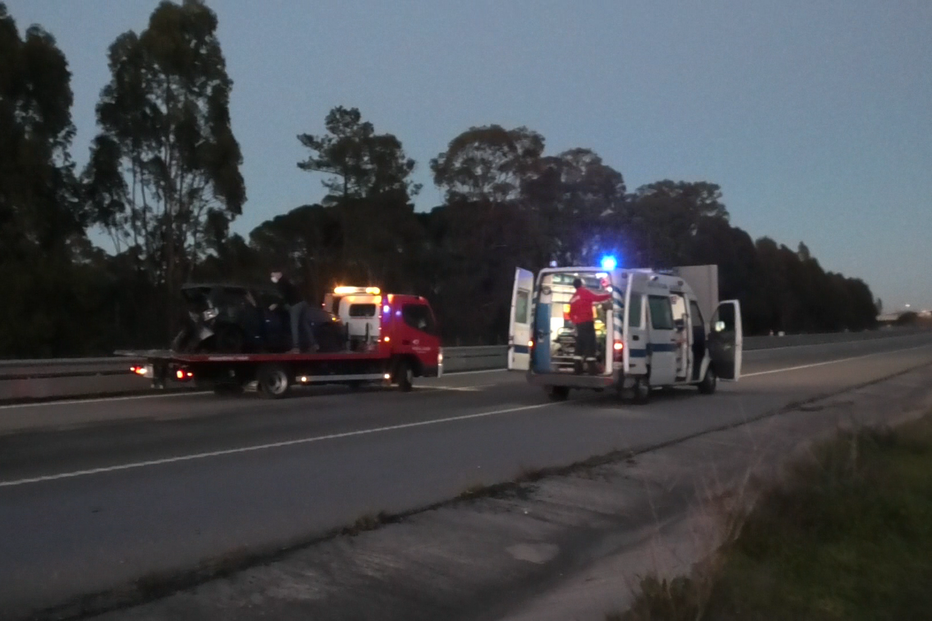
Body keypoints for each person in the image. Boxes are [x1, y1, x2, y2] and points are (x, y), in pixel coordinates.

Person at [568, 277, 612, 374]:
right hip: (587, 322)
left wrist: (576, 321)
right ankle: (592, 369)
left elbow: (570, 314)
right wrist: (609, 295)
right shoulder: (584, 292)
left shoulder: (573, 298)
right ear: (581, 284)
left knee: (579, 345)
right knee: (590, 344)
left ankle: (577, 368)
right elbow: (596, 298)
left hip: (578, 325)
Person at [270, 270, 317, 353]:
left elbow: (283, 297)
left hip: (295, 305)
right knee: (305, 324)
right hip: (302, 303)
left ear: (279, 274)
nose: (272, 277)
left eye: (273, 275)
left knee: (294, 326)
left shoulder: (282, 283)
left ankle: (296, 347)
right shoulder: (288, 280)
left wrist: (276, 305)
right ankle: (313, 345)